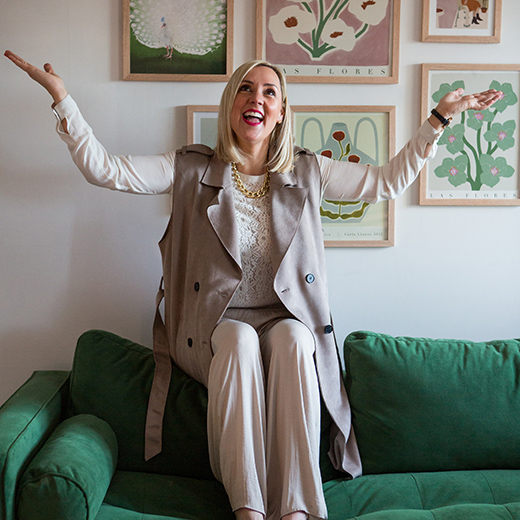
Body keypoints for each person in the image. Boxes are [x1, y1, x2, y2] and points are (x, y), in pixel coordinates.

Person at [4, 50, 502, 520]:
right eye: (245, 89)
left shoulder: (307, 170)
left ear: (281, 111)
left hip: (284, 318)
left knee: (293, 338)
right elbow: (106, 170)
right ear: (231, 104)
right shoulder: (191, 167)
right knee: (241, 340)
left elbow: (385, 183)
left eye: (269, 92)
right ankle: (248, 508)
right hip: (213, 327)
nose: (256, 98)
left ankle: (297, 508)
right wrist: (62, 99)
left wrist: (438, 118)